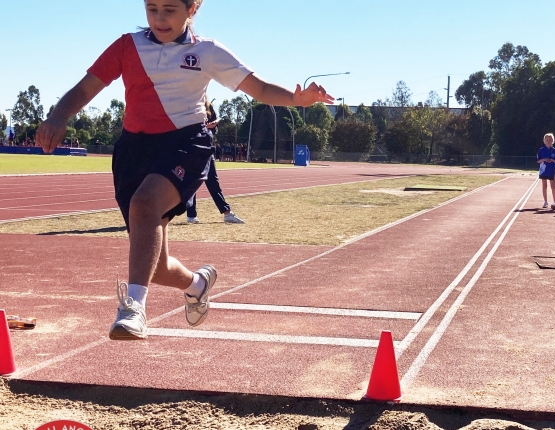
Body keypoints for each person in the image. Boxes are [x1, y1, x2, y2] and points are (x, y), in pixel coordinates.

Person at [35, 0, 333, 341]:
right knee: (155, 266)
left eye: (170, 10)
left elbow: (261, 89)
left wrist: (299, 99)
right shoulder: (126, 46)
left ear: (192, 9)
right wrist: (58, 115)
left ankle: (133, 309)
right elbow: (87, 87)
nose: (160, 18)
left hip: (185, 144)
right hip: (133, 150)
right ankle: (198, 283)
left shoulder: (207, 52)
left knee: (144, 205)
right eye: (152, 9)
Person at [187, 96, 245, 224]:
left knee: (213, 181)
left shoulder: (208, 107)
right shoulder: (189, 104)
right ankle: (191, 215)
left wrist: (211, 127)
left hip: (207, 149)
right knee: (192, 182)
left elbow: (214, 127)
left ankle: (227, 213)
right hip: (193, 148)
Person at [537, 133, 555, 209]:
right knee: (544, 185)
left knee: (553, 186)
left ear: (552, 141)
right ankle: (545, 201)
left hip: (552, 170)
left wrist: (552, 160)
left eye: (550, 140)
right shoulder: (541, 150)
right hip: (543, 170)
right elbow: (538, 161)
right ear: (544, 141)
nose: (548, 141)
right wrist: (544, 159)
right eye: (547, 140)